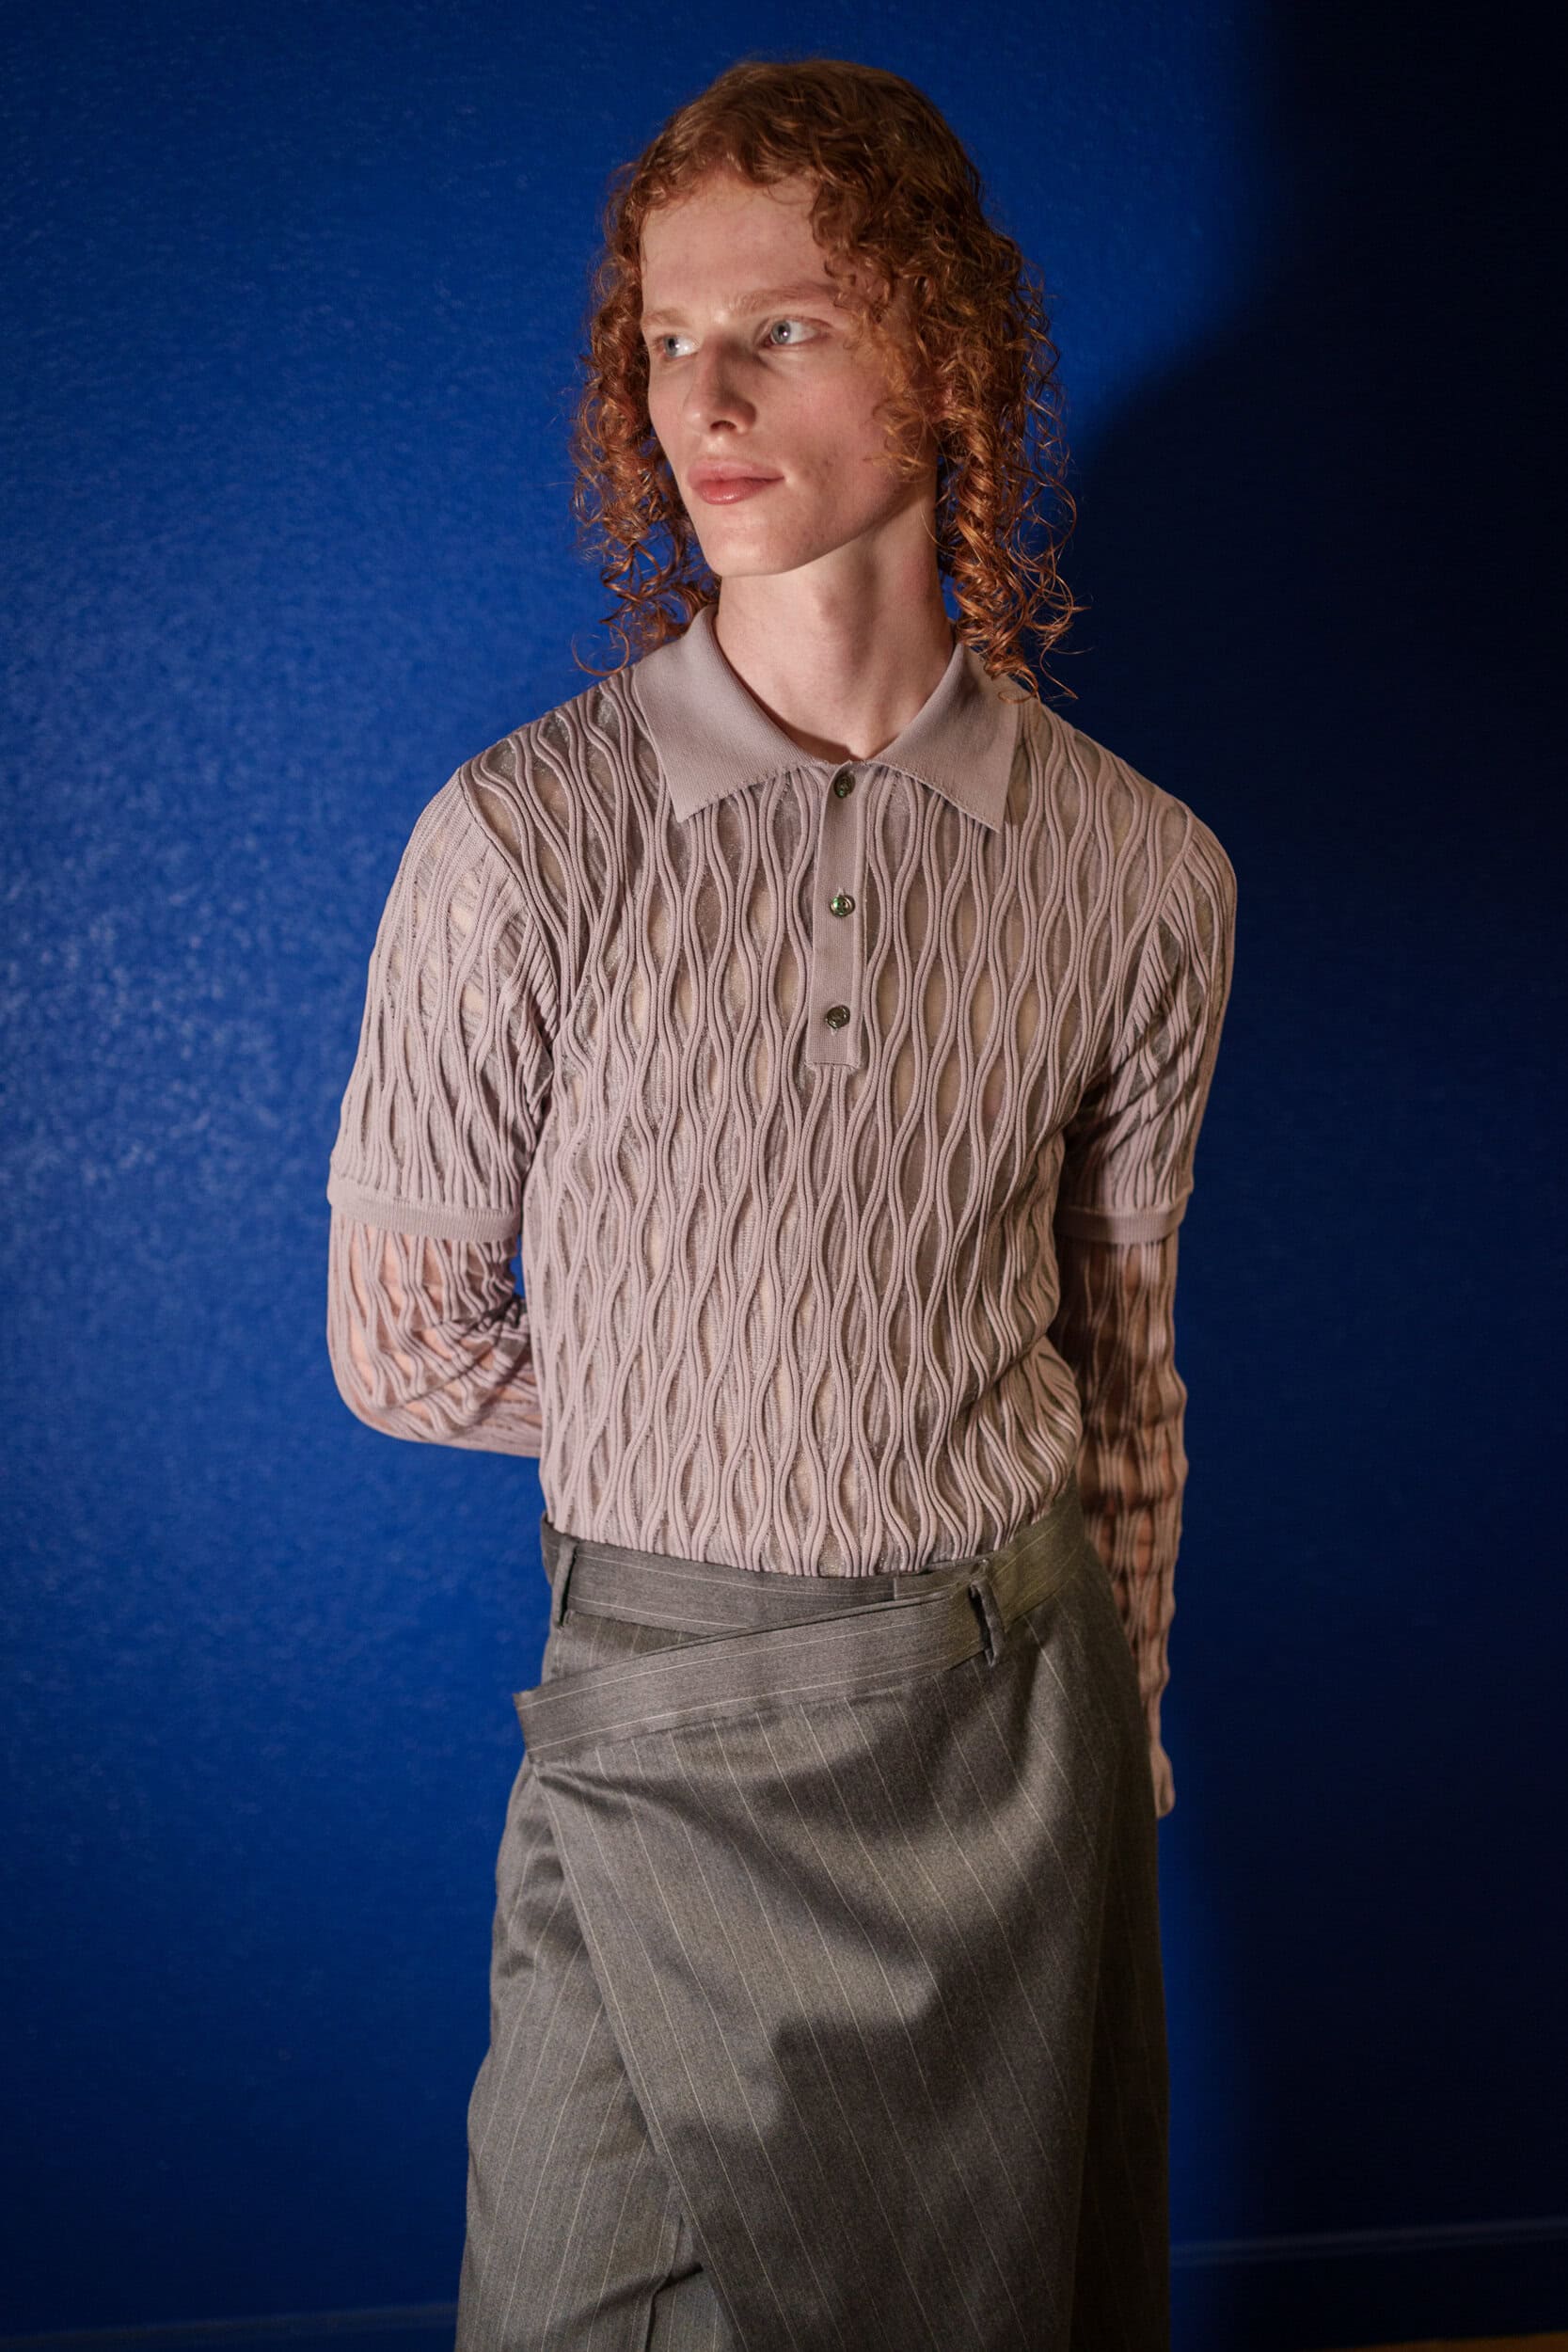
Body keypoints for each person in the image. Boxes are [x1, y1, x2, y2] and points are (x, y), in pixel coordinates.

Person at [325, 54, 1235, 2352]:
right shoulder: (518, 840)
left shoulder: (1143, 870)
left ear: (950, 357)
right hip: (663, 1715)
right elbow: (400, 1349)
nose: (702, 401)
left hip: (1012, 1733)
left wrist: (1124, 1711)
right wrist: (750, 1392)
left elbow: (1123, 1358)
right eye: (663, 341)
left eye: (784, 328)